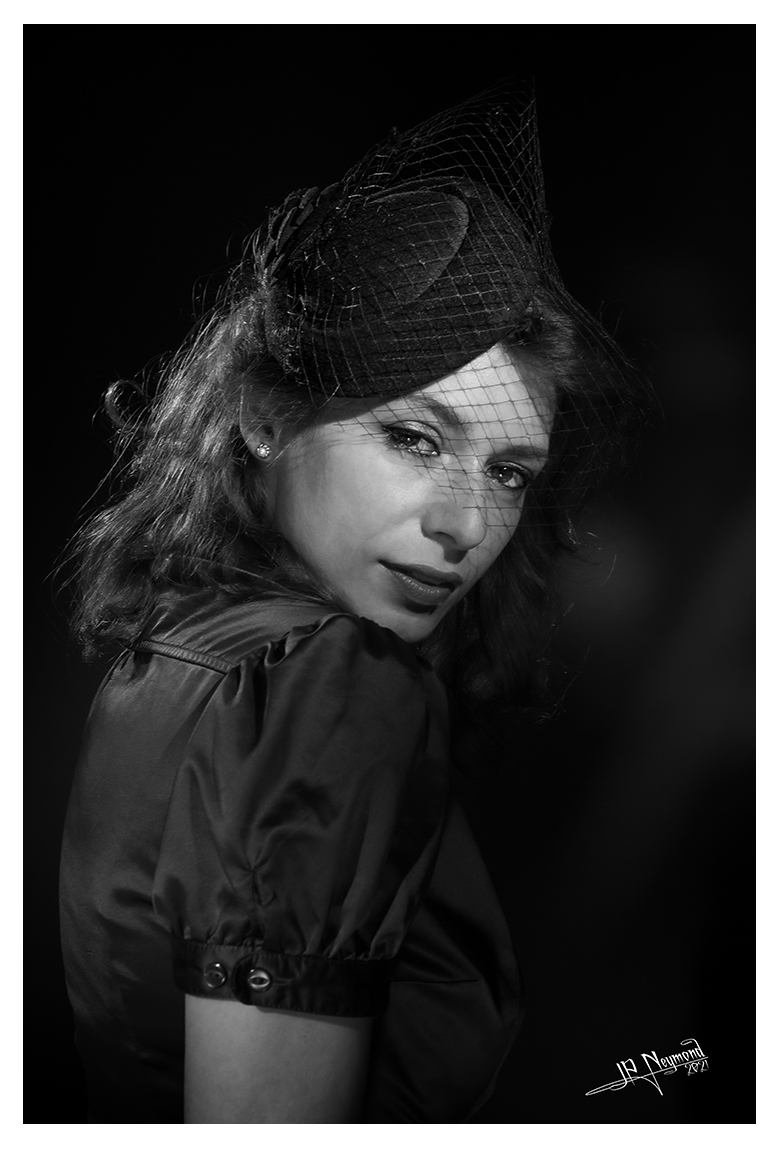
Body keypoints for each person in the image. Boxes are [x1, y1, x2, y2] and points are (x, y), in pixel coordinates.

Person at [59, 85, 638, 1123]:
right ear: (266, 414)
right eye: (413, 439)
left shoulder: (183, 648)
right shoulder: (329, 684)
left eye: (509, 472)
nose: (466, 525)